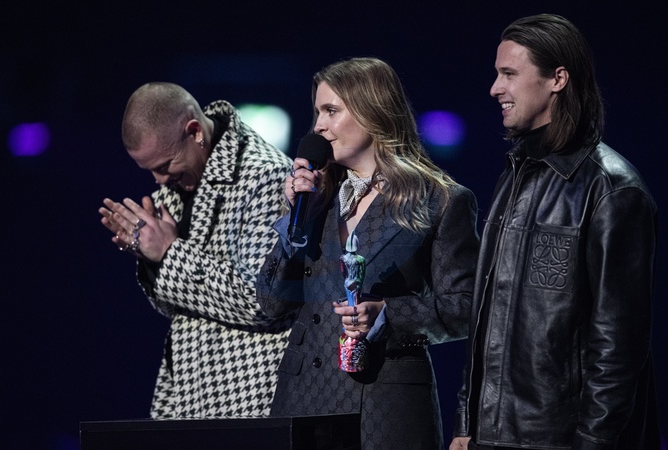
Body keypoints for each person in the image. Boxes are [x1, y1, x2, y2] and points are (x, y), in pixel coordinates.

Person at [450, 14, 660, 450]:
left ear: (558, 79)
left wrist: (592, 442)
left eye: (509, 73)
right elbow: (487, 319)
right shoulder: (515, 173)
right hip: (492, 437)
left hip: (560, 440)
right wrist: (466, 425)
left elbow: (619, 344)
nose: (495, 88)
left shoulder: (613, 188)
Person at [256, 57, 479, 449]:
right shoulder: (317, 200)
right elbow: (272, 304)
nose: (318, 126)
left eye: (331, 111)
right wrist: (296, 220)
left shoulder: (440, 200)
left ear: (372, 111)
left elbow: (465, 308)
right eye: (317, 113)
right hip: (304, 401)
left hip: (384, 404)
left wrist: (388, 314)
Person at [98, 82, 295, 419]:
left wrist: (168, 253)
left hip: (245, 396)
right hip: (187, 394)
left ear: (194, 132)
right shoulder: (177, 182)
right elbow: (174, 306)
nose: (159, 180)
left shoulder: (266, 175)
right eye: (150, 171)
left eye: (164, 165)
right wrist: (150, 258)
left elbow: (261, 300)